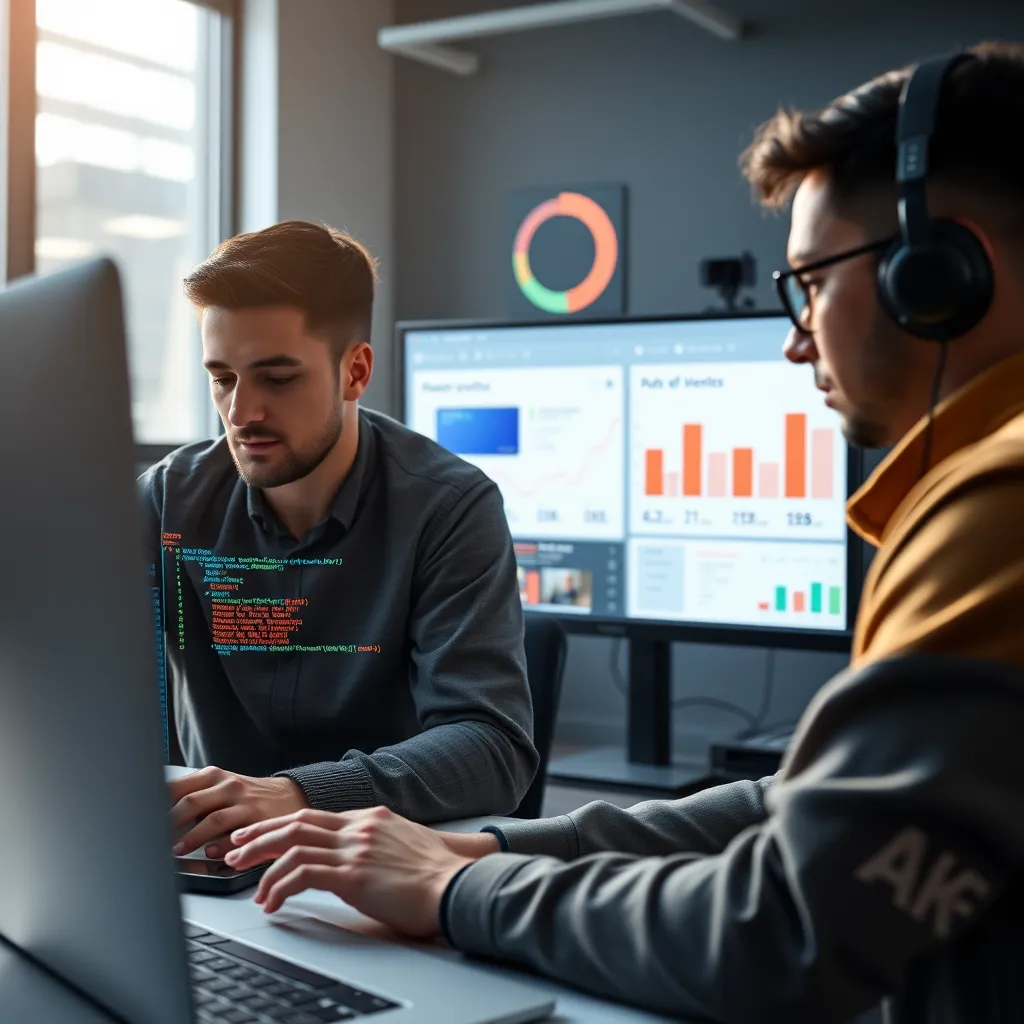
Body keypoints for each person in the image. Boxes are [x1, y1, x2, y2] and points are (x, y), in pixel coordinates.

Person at [224, 44, 1024, 1023]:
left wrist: (452, 891)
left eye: (810, 280)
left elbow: (780, 931)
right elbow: (801, 807)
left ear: (940, 273)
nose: (795, 335)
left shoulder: (1000, 498)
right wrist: (495, 850)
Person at [140, 220, 538, 859]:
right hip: (213, 867)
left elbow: (491, 749)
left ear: (355, 371)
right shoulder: (166, 502)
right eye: (223, 378)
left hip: (380, 871)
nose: (242, 413)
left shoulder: (450, 508)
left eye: (277, 378)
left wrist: (296, 794)